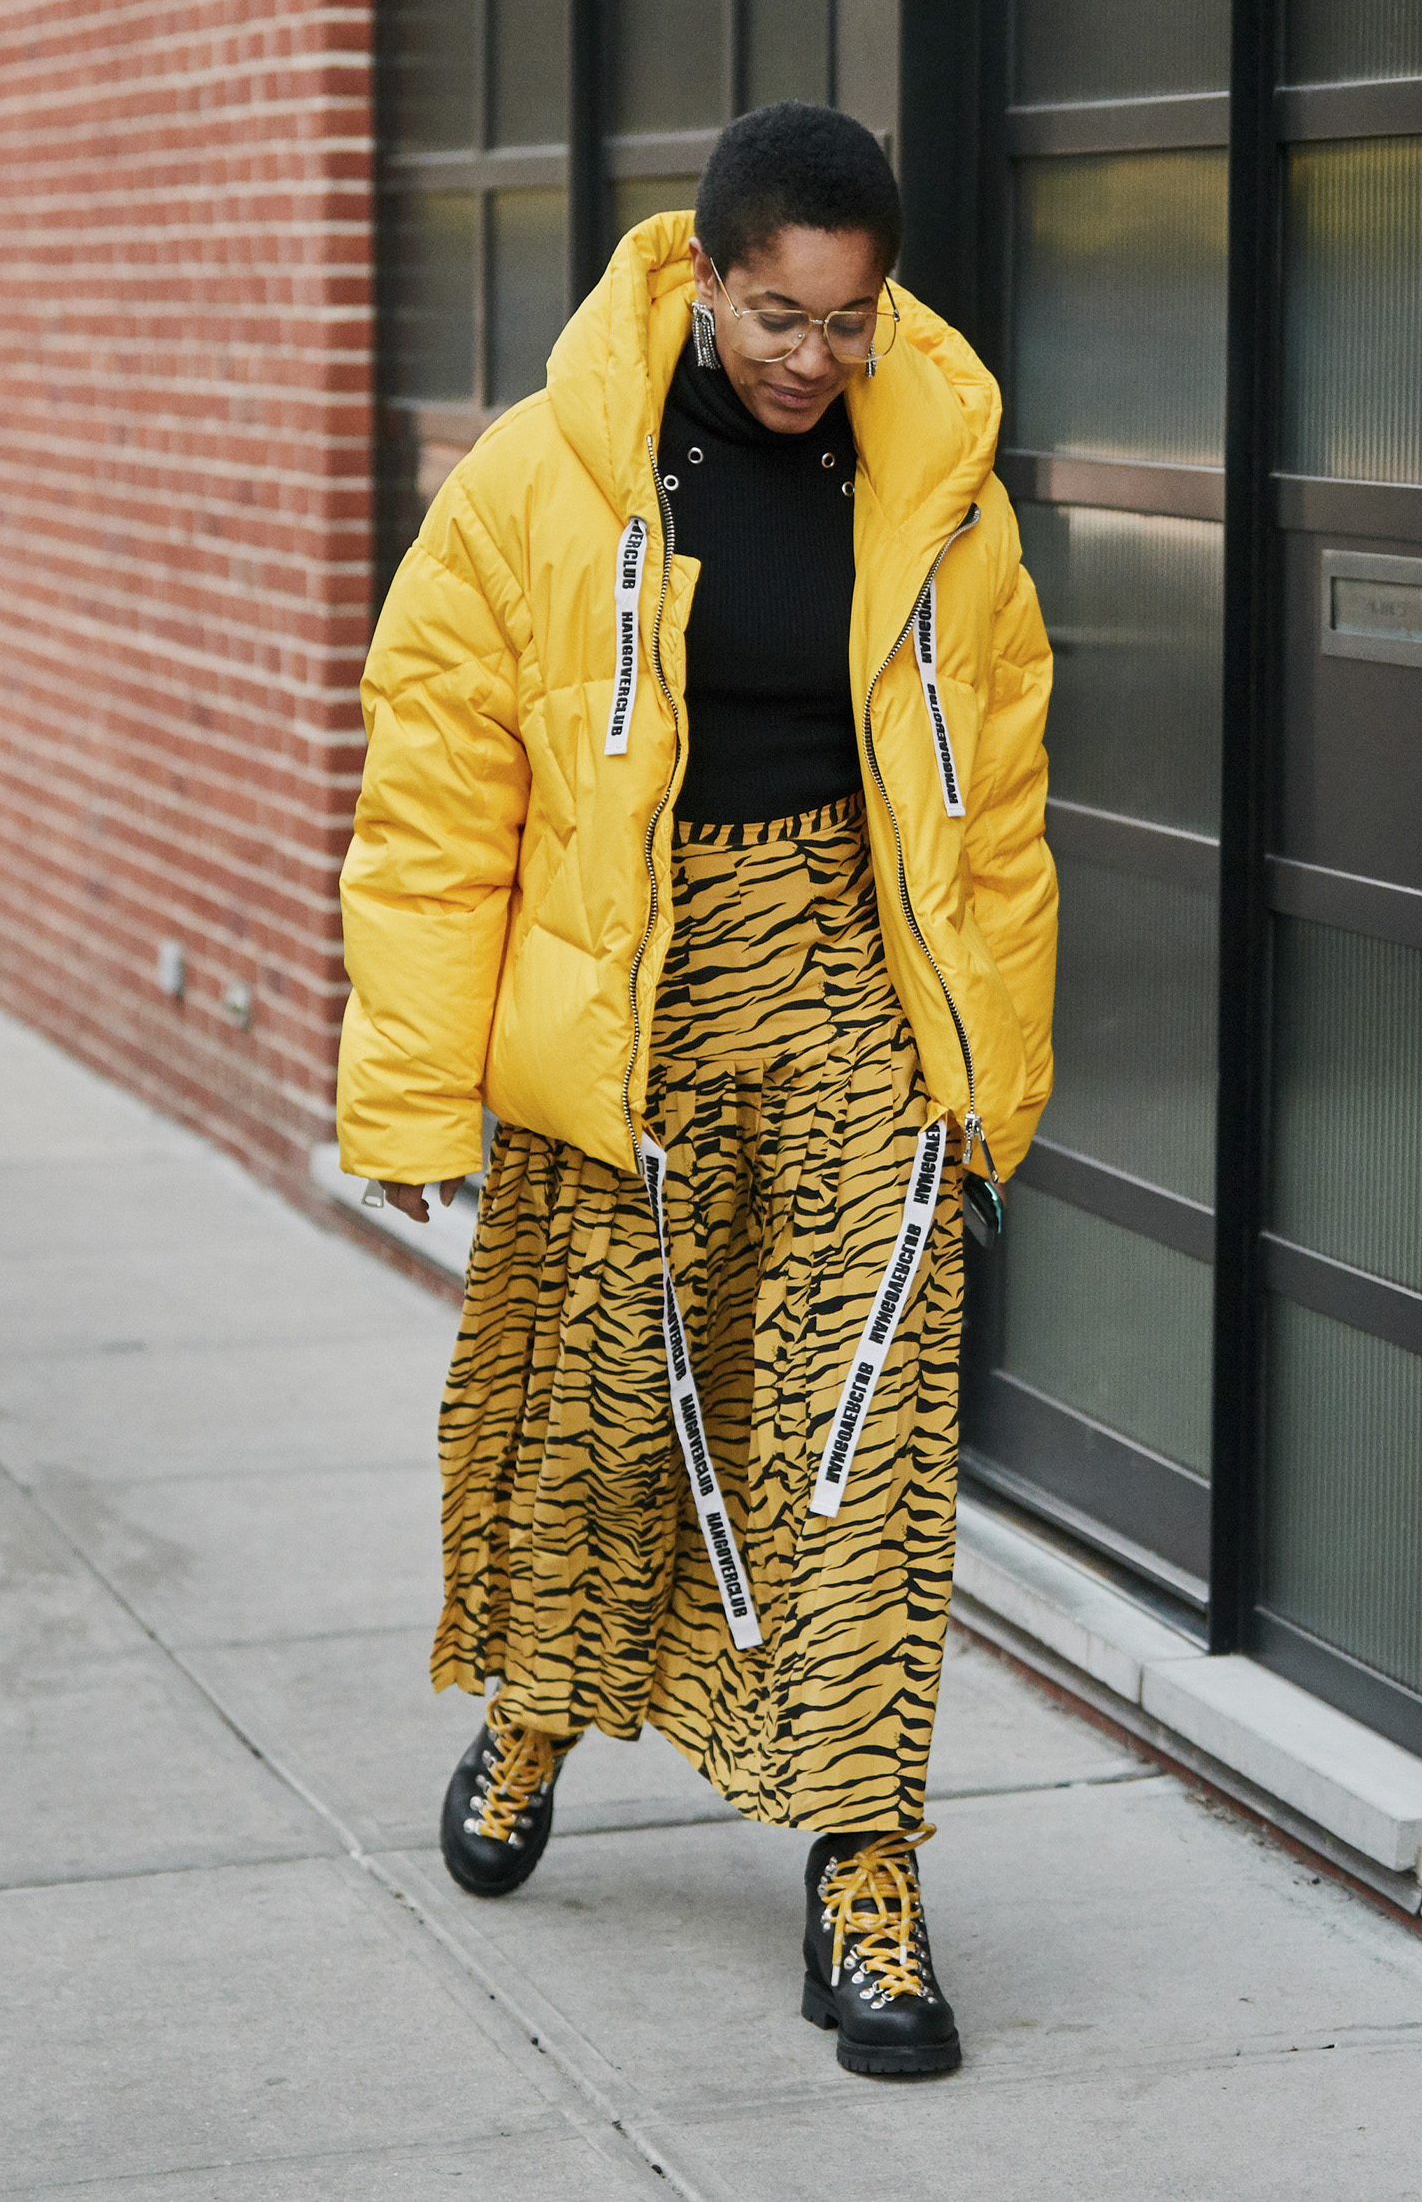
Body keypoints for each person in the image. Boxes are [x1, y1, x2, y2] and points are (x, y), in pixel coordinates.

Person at [336, 102, 1056, 2078]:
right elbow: (433, 809)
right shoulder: (544, 482)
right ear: (706, 276)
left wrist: (989, 1072)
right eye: (776, 316)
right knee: (601, 1424)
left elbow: (996, 812)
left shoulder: (940, 485)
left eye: (849, 318)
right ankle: (537, 1711)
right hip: (626, 1006)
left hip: (855, 990)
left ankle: (866, 1872)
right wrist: (411, 1098)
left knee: (863, 1436)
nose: (813, 358)